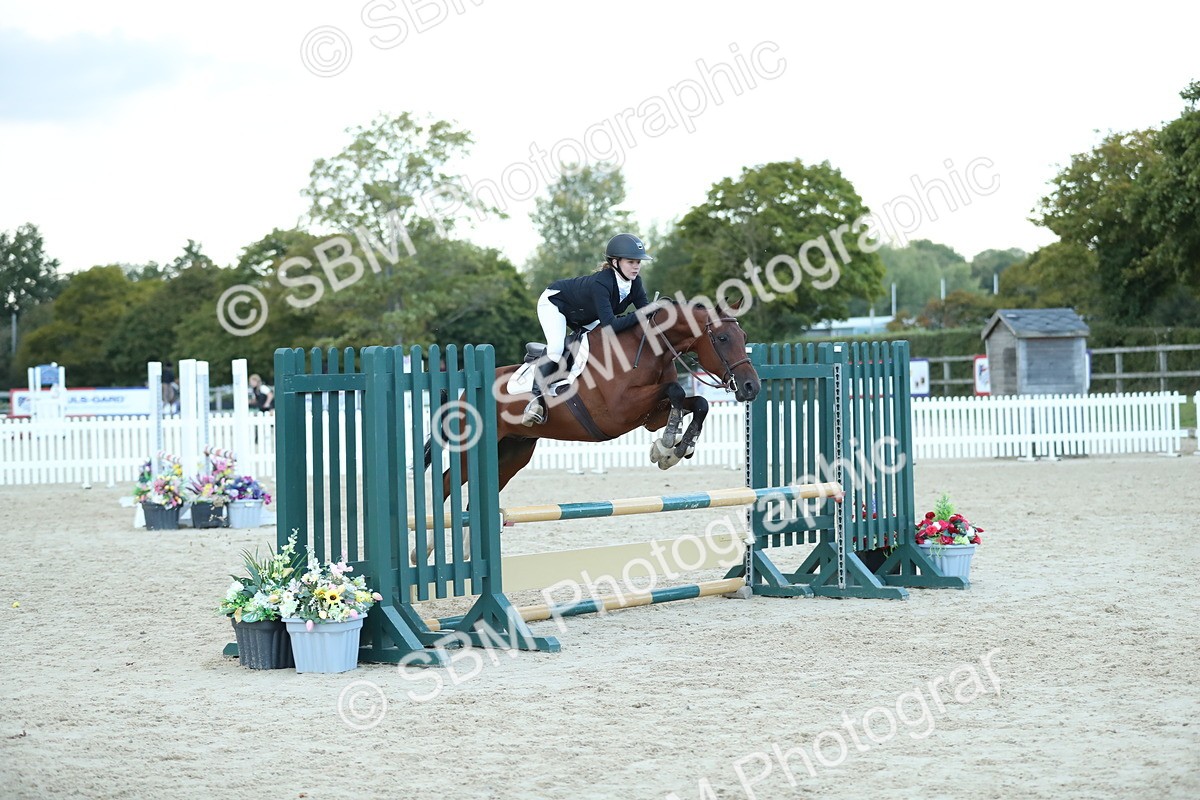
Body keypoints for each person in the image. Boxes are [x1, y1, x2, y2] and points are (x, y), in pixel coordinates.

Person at [522, 233, 653, 426]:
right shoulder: (603, 282)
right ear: (615, 262)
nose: (636, 267)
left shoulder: (635, 283)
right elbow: (611, 325)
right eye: (631, 262)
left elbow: (645, 314)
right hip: (556, 304)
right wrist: (644, 314)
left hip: (584, 315)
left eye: (638, 262)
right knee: (557, 348)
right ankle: (534, 400)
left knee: (600, 345)